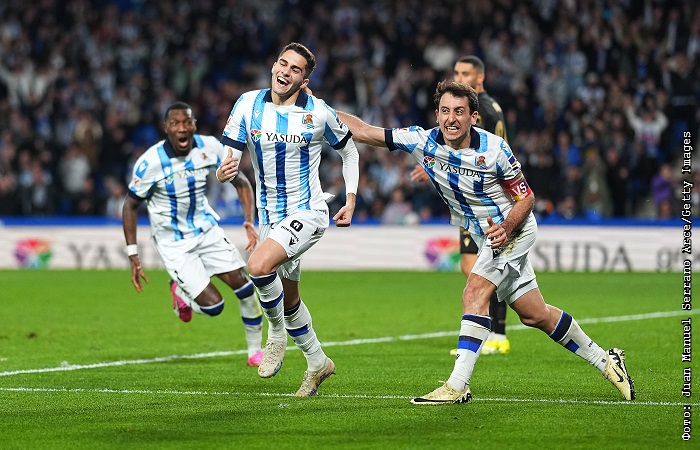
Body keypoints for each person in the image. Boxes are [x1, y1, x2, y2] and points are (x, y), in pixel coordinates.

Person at [337, 80, 635, 404]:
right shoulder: (422, 141)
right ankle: (607, 361)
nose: (451, 119)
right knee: (534, 315)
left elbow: (526, 198)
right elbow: (364, 131)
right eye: (445, 111)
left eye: (459, 112)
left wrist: (506, 227)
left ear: (474, 117)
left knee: (474, 292)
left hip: (512, 230)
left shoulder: (494, 150)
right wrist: (318, 111)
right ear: (436, 115)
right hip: (484, 235)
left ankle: (457, 385)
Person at [217, 42, 359, 397]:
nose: (286, 72)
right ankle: (318, 362)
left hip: (308, 211)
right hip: (270, 216)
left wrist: (351, 198)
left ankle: (276, 335)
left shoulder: (319, 113)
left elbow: (350, 151)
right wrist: (224, 169)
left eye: (295, 69)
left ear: (304, 80)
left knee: (257, 266)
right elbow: (231, 153)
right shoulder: (247, 103)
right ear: (273, 66)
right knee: (290, 299)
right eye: (283, 63)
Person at [122, 102, 264, 367]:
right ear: (166, 128)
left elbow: (242, 182)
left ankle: (256, 352)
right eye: (175, 123)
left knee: (245, 287)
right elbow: (130, 205)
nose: (182, 128)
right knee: (214, 307)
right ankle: (180, 292)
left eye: (187, 122)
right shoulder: (150, 163)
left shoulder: (210, 148)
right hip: (174, 242)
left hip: (206, 230)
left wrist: (248, 220)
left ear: (194, 125)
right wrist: (133, 253)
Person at [410, 56, 510, 355]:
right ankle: (493, 332)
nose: (460, 77)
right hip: (472, 201)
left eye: (466, 73)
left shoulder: (484, 111)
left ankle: (495, 333)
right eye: (456, 72)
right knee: (473, 266)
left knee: (481, 268)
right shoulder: (488, 108)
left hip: (483, 202)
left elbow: (485, 154)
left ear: (480, 78)